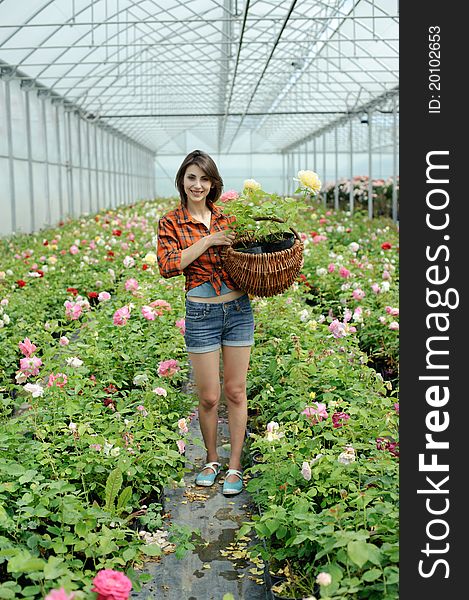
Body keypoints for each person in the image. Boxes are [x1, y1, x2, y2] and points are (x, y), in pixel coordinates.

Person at [156, 150, 254, 496]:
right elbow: (168, 265)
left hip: (238, 311)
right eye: (191, 177)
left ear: (213, 183)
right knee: (210, 397)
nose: (198, 185)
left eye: (204, 178)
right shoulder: (171, 222)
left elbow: (249, 255)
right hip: (201, 314)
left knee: (236, 391)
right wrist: (208, 239)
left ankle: (235, 465)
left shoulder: (229, 218)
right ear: (182, 181)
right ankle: (212, 458)